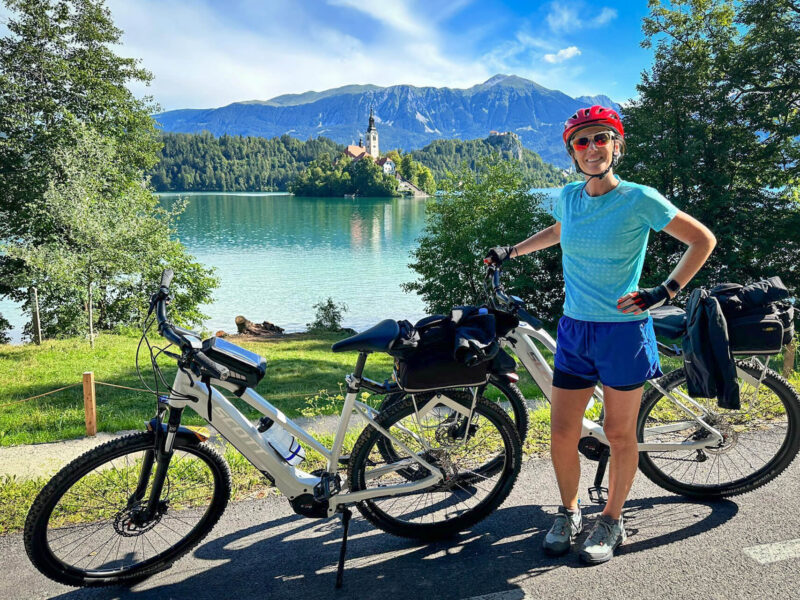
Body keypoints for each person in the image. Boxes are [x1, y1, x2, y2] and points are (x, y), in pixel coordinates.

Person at [486, 105, 716, 564]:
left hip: (623, 333)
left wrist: (664, 290)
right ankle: (569, 512)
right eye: (582, 141)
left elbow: (702, 240)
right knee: (562, 431)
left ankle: (611, 520)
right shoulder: (569, 196)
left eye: (601, 138)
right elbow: (560, 230)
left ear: (616, 145)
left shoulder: (639, 198)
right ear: (572, 152)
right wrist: (512, 250)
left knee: (618, 432)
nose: (592, 148)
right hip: (575, 329)